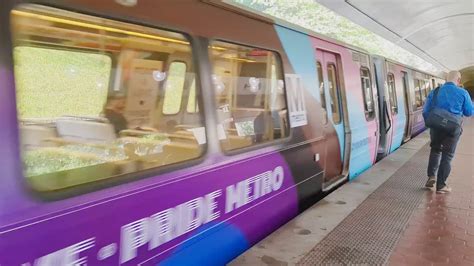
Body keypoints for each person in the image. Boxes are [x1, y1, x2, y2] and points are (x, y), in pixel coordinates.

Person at [423, 71, 472, 193]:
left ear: (446, 79)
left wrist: (431, 123)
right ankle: (441, 186)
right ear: (459, 80)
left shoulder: (435, 91)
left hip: (436, 127)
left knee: (435, 150)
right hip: (452, 128)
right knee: (448, 156)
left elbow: (426, 111)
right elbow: (469, 112)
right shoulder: (463, 92)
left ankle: (431, 177)